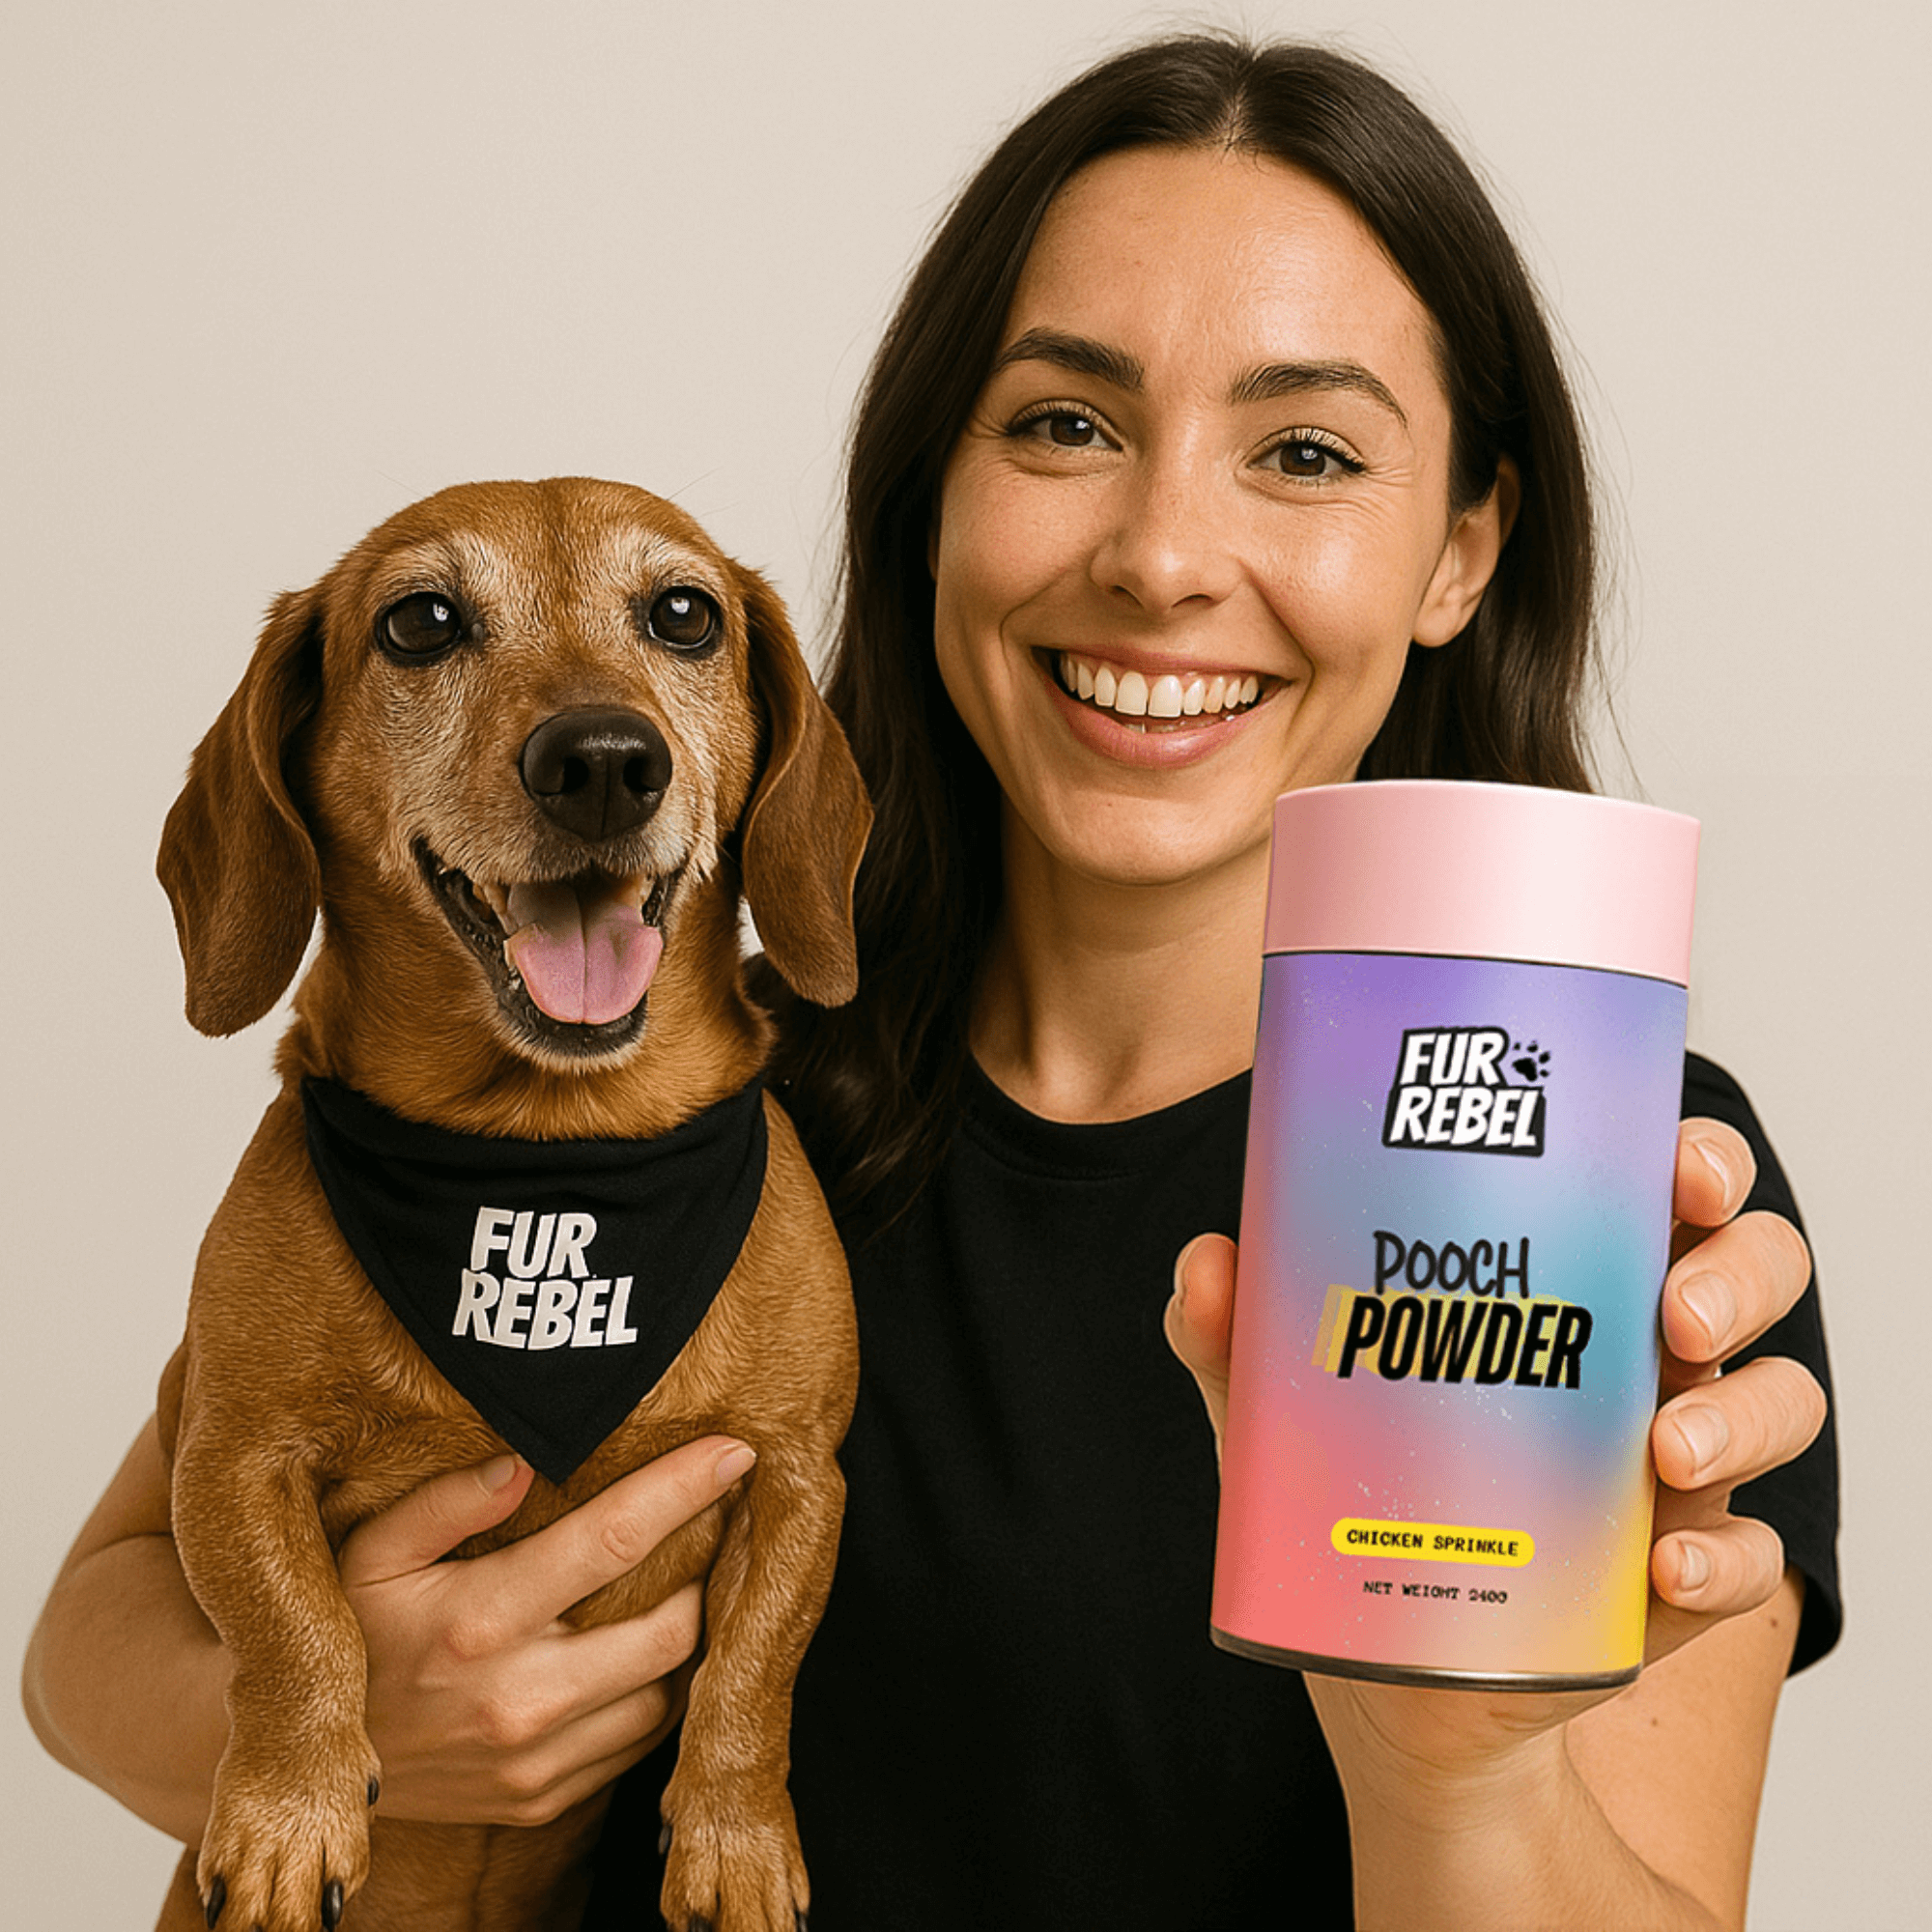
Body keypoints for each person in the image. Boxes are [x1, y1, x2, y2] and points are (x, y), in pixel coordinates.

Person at [26, 34, 1837, 1930]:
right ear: (931, 495)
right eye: (1063, 424)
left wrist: (1448, 1775)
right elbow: (88, 1641)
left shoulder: (1591, 1176)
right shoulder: (663, 1064)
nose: (1157, 557)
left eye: (1302, 450)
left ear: (1459, 549)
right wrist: (349, 1715)